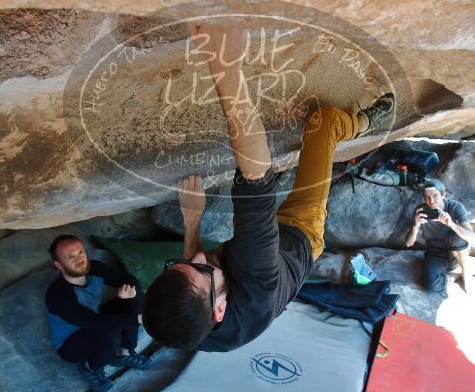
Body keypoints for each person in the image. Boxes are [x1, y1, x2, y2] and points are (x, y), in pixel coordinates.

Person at [142, 25, 395, 352]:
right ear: (220, 311)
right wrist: (225, 68)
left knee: (205, 266)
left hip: (265, 264)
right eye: (202, 268)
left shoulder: (188, 326)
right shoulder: (255, 277)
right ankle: (362, 123)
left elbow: (195, 274)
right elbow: (256, 177)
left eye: (179, 265)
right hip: (300, 234)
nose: (198, 256)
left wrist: (192, 220)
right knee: (324, 124)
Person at [45, 235, 152, 392]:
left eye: (81, 252)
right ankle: (91, 367)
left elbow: (129, 279)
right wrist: (139, 319)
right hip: (70, 342)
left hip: (94, 318)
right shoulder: (59, 296)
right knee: (110, 334)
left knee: (136, 299)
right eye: (71, 257)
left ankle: (123, 353)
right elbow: (96, 323)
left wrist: (129, 291)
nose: (80, 259)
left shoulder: (93, 268)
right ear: (59, 264)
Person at [404, 180, 475, 293]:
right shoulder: (421, 211)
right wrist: (415, 225)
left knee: (454, 237)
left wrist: (451, 224)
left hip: (457, 251)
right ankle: (457, 275)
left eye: (435, 196)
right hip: (436, 252)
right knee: (431, 285)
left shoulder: (455, 207)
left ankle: (466, 274)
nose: (431, 201)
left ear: (443, 195)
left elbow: (473, 238)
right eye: (427, 197)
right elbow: (408, 244)